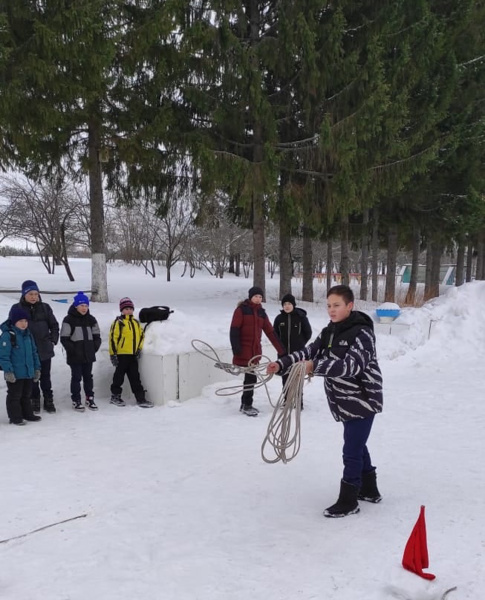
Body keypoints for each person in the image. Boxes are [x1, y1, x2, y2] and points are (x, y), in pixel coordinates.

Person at [267, 285, 383, 517]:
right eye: (329, 305)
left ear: (350, 306)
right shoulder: (330, 331)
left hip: (363, 399)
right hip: (343, 400)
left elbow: (351, 366)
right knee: (357, 444)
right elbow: (308, 350)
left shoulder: (363, 334)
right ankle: (370, 489)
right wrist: (282, 364)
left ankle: (349, 500)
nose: (331, 310)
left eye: (337, 305)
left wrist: (314, 366)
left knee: (351, 448)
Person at [230, 286, 285, 417]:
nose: (258, 299)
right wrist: (236, 348)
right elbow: (234, 330)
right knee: (251, 378)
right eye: (256, 296)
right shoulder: (241, 310)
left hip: (255, 352)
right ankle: (246, 405)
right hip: (243, 351)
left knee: (250, 378)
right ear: (250, 297)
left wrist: (281, 350)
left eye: (260, 297)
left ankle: (245, 403)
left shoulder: (261, 313)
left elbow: (270, 332)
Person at [10, 280, 59, 413]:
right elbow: (11, 329)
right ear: (24, 294)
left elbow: (54, 325)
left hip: (44, 348)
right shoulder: (17, 308)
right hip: (27, 351)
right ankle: (34, 399)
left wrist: (53, 340)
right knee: (32, 377)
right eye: (30, 294)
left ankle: (48, 399)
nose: (33, 297)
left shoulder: (45, 307)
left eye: (36, 294)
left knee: (45, 376)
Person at [0, 307, 42, 425]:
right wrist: (8, 371)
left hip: (28, 372)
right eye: (20, 321)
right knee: (15, 395)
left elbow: (34, 352)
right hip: (15, 374)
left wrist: (37, 368)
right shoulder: (8, 336)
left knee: (26, 395)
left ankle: (27, 414)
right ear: (14, 321)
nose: (24, 324)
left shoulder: (28, 335)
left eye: (25, 321)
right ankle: (15, 417)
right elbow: (3, 356)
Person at [109, 297, 153, 408]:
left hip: (133, 355)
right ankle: (115, 396)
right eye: (126, 309)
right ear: (121, 310)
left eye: (130, 308)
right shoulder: (119, 322)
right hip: (121, 355)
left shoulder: (135, 322)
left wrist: (138, 349)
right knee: (119, 376)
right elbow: (113, 339)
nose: (128, 311)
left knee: (135, 377)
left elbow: (141, 336)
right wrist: (113, 354)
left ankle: (140, 398)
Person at [60, 292, 101, 412]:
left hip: (88, 354)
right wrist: (73, 350)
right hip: (75, 356)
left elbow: (97, 335)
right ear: (76, 306)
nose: (84, 308)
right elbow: (64, 338)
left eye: (86, 306)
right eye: (81, 305)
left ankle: (89, 398)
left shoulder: (91, 319)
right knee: (76, 377)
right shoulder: (69, 319)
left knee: (88, 377)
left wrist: (94, 347)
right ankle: (76, 399)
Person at [273, 293, 312, 408]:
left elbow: (308, 333)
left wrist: (300, 344)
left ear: (293, 305)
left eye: (289, 304)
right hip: (283, 354)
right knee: (285, 377)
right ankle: (287, 401)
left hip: (298, 353)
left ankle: (299, 401)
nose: (287, 306)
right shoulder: (279, 319)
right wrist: (280, 348)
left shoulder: (301, 317)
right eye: (285, 304)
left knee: (298, 377)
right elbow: (275, 335)